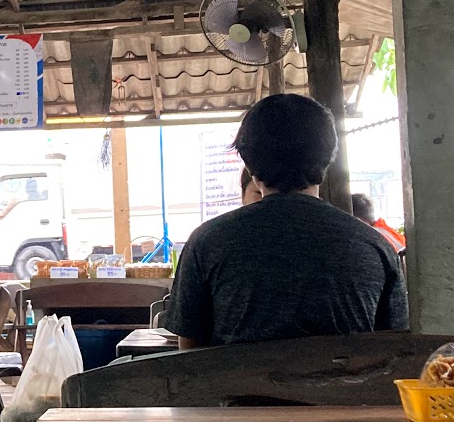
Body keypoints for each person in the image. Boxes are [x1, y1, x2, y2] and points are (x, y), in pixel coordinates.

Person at [166, 94, 408, 349]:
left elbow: (189, 354)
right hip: (348, 376)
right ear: (327, 159)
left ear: (249, 164)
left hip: (239, 378)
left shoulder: (207, 242)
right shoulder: (375, 247)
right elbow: (394, 347)